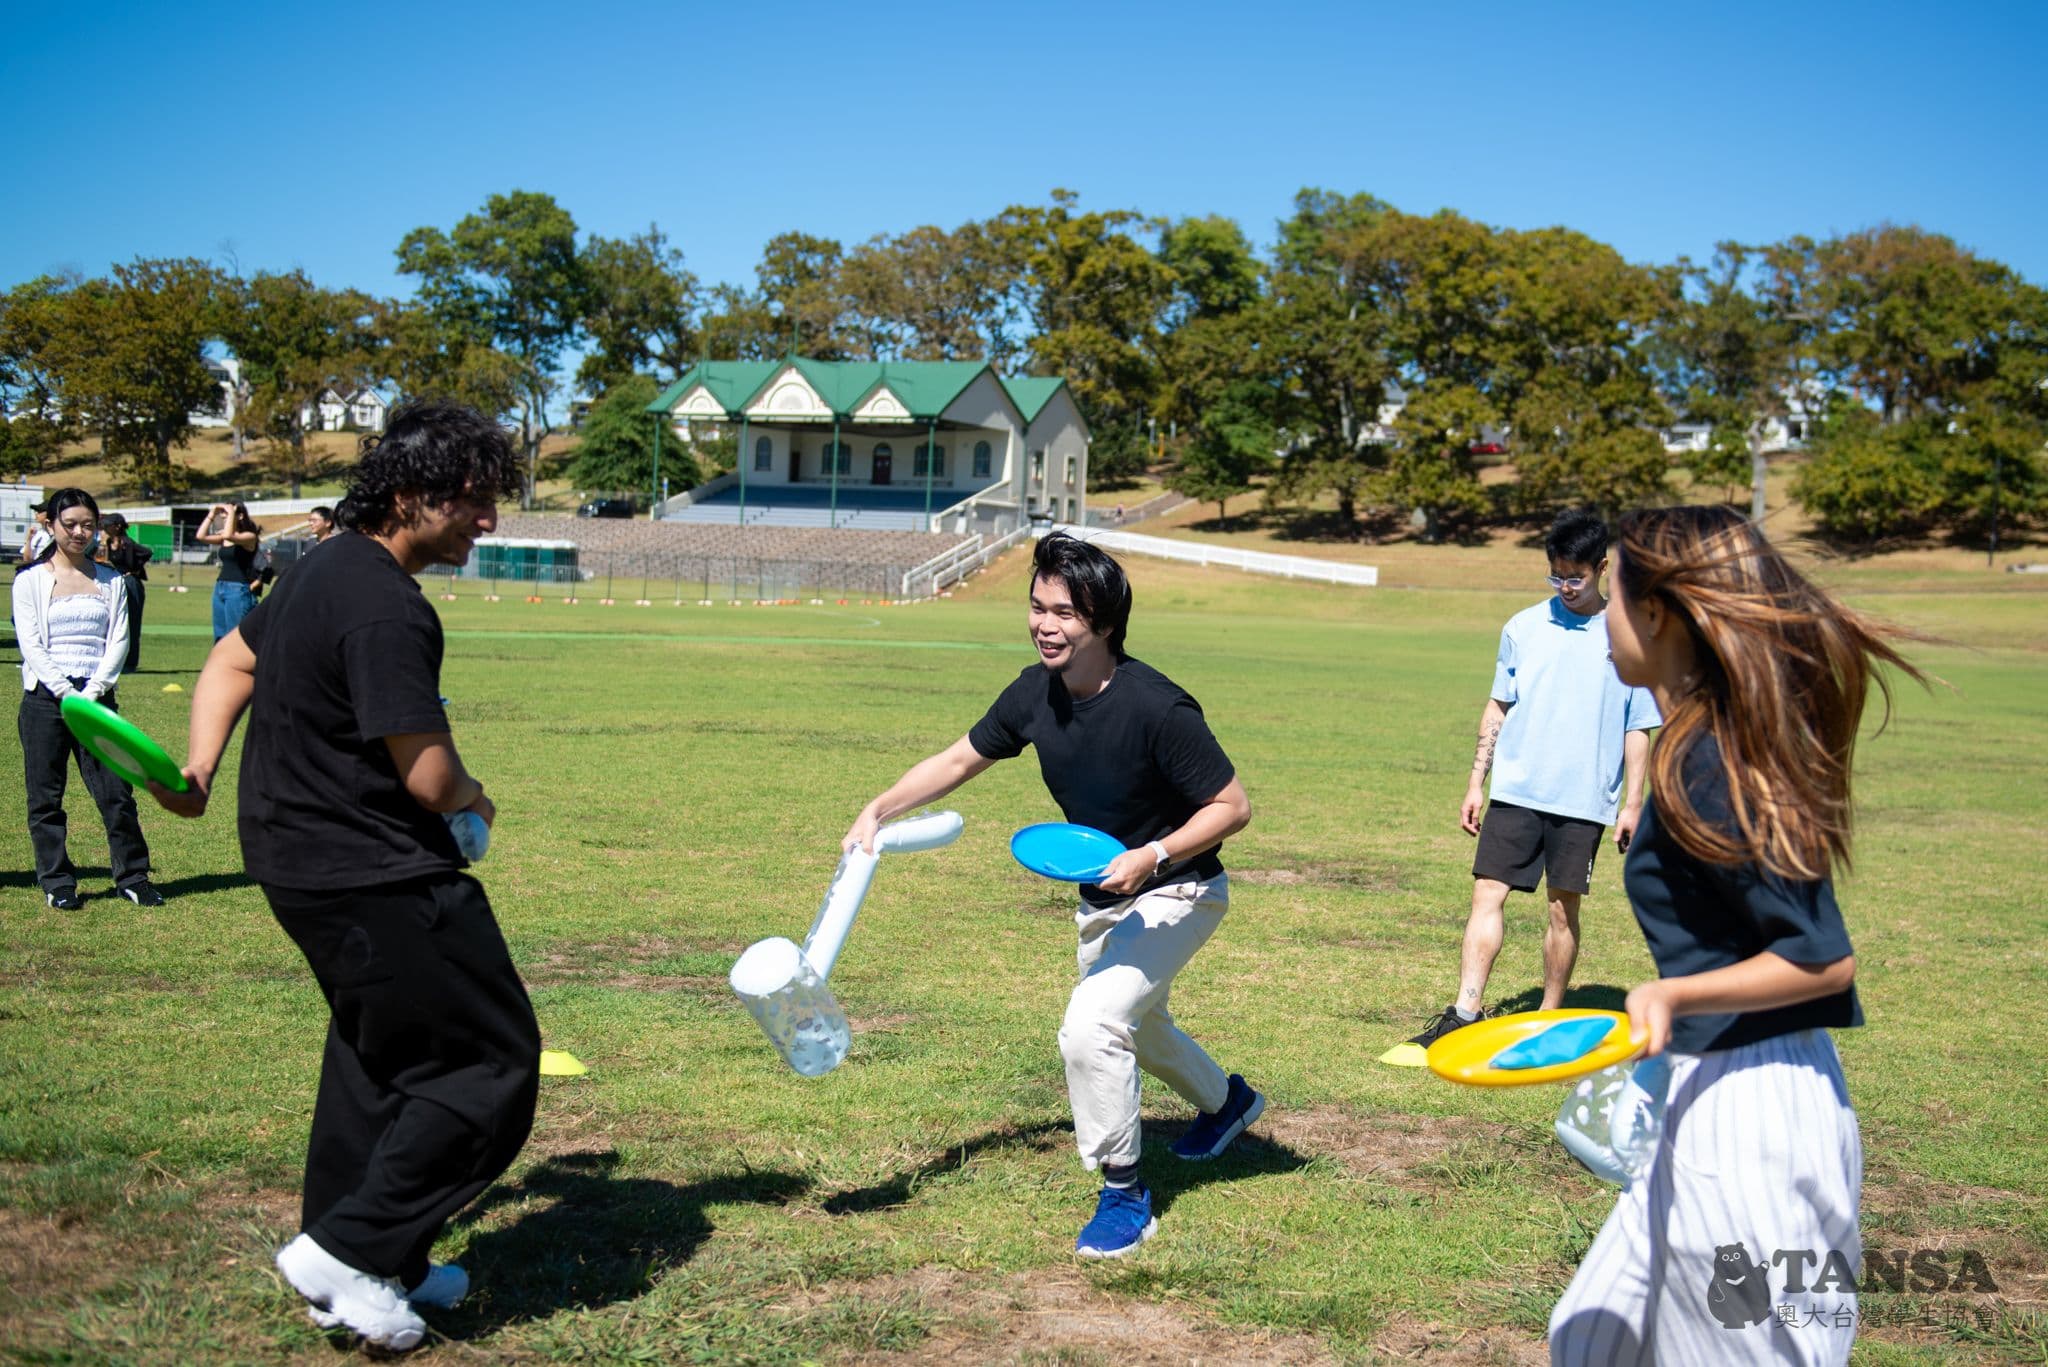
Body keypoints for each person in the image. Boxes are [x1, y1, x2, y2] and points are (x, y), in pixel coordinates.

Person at [147, 400, 536, 1352]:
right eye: (473, 502)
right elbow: (428, 775)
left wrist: (197, 766)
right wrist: (476, 797)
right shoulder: (387, 604)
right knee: (490, 1064)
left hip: (294, 861)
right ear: (410, 496)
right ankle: (346, 1249)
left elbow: (230, 661)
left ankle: (383, 1262)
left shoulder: (321, 568)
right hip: (377, 871)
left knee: (379, 1060)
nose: (488, 522)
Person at [1548, 505, 1920, 1365]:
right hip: (1702, 1087)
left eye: (1615, 592)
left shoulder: (1711, 758)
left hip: (1754, 1113)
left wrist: (1674, 992)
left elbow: (1822, 957)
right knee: (1588, 1336)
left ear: (1660, 614)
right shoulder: (1693, 741)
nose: (1599, 606)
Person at [845, 531, 1262, 1260]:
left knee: (1090, 1024)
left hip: (1181, 888)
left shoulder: (1159, 707)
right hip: (1103, 896)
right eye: (1037, 607)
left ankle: (1125, 1192)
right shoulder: (1033, 693)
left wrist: (1152, 853)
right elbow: (957, 758)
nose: (1045, 623)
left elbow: (1232, 805)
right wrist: (878, 808)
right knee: (1137, 1021)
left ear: (1102, 621)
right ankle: (1229, 1102)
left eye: (1064, 612)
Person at [1396, 509, 1661, 1057]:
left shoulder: (1630, 634)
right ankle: (1463, 1012)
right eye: (1555, 576)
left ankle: (1548, 1018)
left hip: (1584, 800)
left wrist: (1633, 803)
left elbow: (1639, 727)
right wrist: (1476, 781)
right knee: (1486, 895)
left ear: (1602, 568)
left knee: (1563, 910)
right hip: (1515, 791)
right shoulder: (1522, 627)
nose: (1565, 587)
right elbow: (1498, 707)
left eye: (1575, 577)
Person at [13, 488, 162, 909]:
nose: (80, 532)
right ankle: (57, 883)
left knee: (116, 795)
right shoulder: (30, 581)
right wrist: (65, 693)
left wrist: (93, 693)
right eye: (70, 524)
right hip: (46, 701)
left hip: (97, 701)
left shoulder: (112, 581)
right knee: (45, 799)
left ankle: (133, 877)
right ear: (51, 525)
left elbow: (118, 640)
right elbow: (32, 645)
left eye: (88, 525)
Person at [196, 500, 261, 640]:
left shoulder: (249, 536)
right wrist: (212, 514)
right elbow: (200, 536)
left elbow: (228, 535)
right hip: (220, 587)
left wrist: (231, 511)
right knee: (220, 635)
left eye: (227, 514)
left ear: (240, 516)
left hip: (237, 589)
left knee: (235, 635)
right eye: (223, 514)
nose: (224, 517)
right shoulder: (224, 537)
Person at [97, 513, 153, 673]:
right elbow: (99, 560)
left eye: (107, 526)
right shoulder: (104, 543)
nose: (104, 529)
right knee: (110, 622)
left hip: (130, 583)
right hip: (111, 583)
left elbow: (147, 552)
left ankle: (130, 663)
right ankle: (109, 661)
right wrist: (102, 542)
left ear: (117, 527)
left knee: (132, 624)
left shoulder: (128, 543)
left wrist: (135, 569)